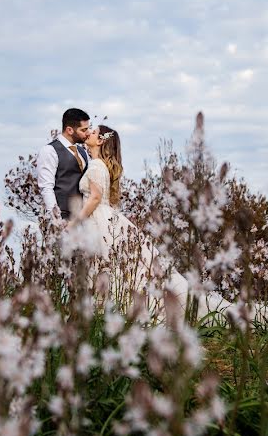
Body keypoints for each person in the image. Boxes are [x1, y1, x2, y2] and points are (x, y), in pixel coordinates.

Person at [69, 124, 232, 322]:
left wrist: (76, 221)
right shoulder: (100, 165)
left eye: (93, 132)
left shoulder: (95, 165)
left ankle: (108, 311)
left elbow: (95, 198)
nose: (88, 133)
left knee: (106, 266)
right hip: (106, 217)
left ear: (101, 140)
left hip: (97, 218)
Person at [36, 108, 91, 223]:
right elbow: (46, 187)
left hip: (82, 218)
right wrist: (57, 221)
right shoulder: (50, 151)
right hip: (63, 218)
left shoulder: (83, 152)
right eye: (84, 130)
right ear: (70, 130)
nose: (88, 133)